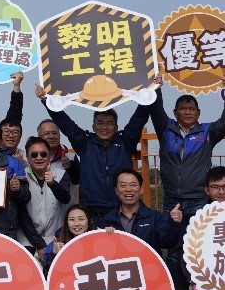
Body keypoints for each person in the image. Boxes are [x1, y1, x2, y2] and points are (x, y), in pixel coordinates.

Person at [147, 72, 225, 290]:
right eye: (183, 109)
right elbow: (155, 109)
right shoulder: (165, 129)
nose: (187, 112)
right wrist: (156, 88)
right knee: (172, 250)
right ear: (175, 112)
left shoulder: (207, 132)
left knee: (201, 250)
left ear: (198, 113)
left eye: (191, 109)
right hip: (172, 201)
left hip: (199, 200)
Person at [39, 85, 151, 219]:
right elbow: (66, 124)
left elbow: (138, 120)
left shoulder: (126, 142)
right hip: (91, 210)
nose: (105, 127)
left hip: (121, 208)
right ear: (93, 126)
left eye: (109, 123)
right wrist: (46, 100)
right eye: (100, 123)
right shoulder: (84, 142)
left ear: (116, 127)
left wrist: (151, 91)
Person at [17, 136, 71, 251]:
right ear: (27, 157)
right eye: (34, 155)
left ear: (50, 155)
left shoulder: (61, 174)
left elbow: (65, 198)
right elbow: (21, 216)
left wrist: (52, 184)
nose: (39, 158)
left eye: (43, 154)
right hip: (26, 240)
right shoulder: (21, 176)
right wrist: (40, 245)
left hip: (55, 239)